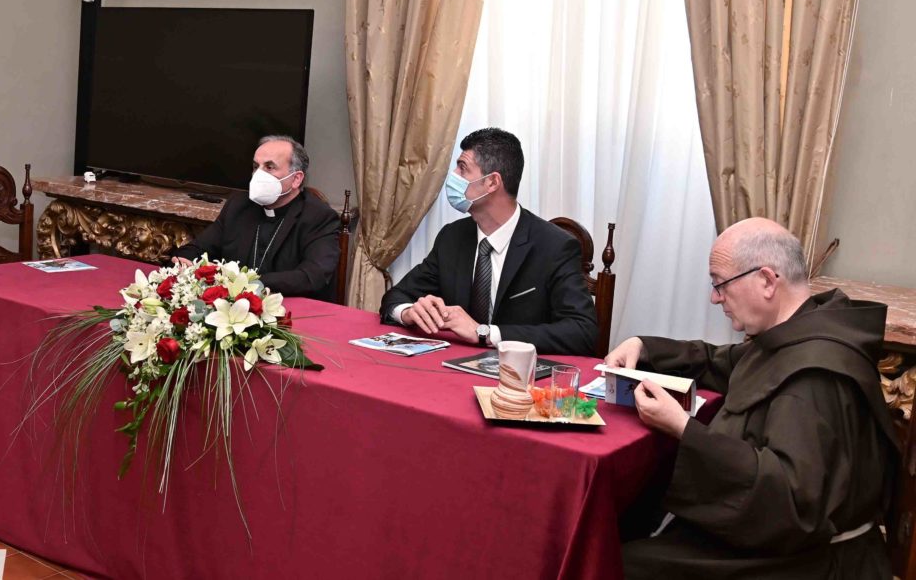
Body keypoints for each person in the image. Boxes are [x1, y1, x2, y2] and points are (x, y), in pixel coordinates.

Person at [607, 217, 898, 579]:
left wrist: (684, 428)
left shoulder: (813, 376)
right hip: (780, 540)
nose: (715, 297)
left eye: (720, 283)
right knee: (626, 524)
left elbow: (790, 500)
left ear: (766, 281)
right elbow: (718, 361)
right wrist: (644, 346)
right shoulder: (796, 332)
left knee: (618, 561)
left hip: (808, 561)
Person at [379, 127, 598, 355]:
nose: (453, 175)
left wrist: (485, 333)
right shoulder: (452, 237)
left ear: (492, 182)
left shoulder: (555, 246)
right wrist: (409, 312)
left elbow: (582, 332)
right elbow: (396, 297)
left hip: (519, 371)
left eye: (462, 168)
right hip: (452, 363)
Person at [171, 136, 340, 301]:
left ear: (296, 179)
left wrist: (247, 281)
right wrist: (185, 261)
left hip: (290, 308)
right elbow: (196, 249)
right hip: (233, 306)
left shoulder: (318, 217)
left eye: (269, 167)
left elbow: (311, 276)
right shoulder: (239, 206)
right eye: (255, 166)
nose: (258, 174)